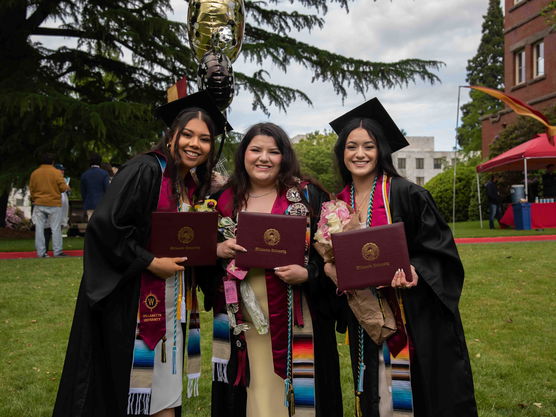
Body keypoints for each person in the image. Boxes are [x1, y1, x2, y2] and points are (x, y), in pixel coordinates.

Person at [53, 91, 231, 417]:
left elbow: (185, 243)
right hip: (130, 301)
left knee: (164, 385)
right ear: (171, 134)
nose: (195, 144)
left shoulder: (190, 185)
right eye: (187, 134)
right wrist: (150, 261)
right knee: (130, 387)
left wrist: (214, 248)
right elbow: (108, 228)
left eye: (205, 139)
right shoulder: (145, 170)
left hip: (173, 301)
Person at [324, 98, 478, 417]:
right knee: (375, 390)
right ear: (342, 153)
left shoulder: (407, 194)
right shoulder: (335, 206)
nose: (360, 153)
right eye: (351, 146)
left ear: (381, 150)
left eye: (368, 145)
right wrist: (329, 267)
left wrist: (416, 270)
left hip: (413, 315)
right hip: (366, 318)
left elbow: (441, 251)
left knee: (418, 392)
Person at [208, 123, 343, 417]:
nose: (264, 158)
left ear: (285, 157)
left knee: (301, 397)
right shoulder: (222, 201)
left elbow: (333, 255)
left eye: (274, 151)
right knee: (255, 393)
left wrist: (309, 273)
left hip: (298, 315)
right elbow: (202, 260)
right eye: (256, 150)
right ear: (243, 154)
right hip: (245, 320)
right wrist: (217, 250)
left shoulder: (308, 197)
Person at [29, 153, 70, 258]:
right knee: (55, 228)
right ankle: (58, 252)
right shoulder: (56, 173)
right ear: (53, 162)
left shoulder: (35, 173)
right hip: (54, 203)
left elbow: (32, 189)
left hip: (39, 203)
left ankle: (41, 252)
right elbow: (63, 188)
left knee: (39, 229)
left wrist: (35, 198)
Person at [80, 153, 111, 220]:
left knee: (91, 224)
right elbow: (107, 190)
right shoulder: (104, 174)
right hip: (102, 204)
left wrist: (86, 201)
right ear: (100, 161)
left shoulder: (84, 175)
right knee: (101, 225)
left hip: (89, 203)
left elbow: (83, 192)